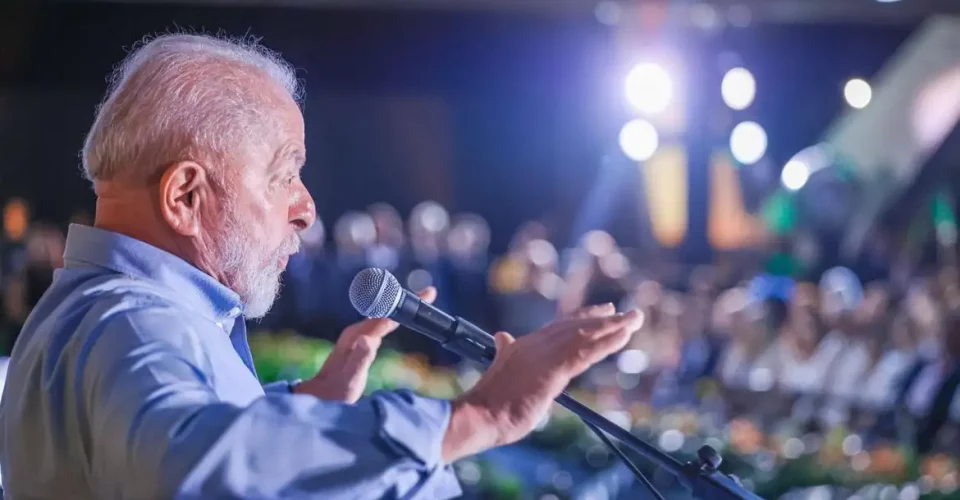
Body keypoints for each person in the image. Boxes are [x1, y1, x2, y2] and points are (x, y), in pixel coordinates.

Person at [0, 34, 642, 499]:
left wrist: (303, 411)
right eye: (285, 175)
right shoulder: (134, 322)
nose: (306, 208)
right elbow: (195, 469)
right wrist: (477, 417)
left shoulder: (103, 313)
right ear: (185, 197)